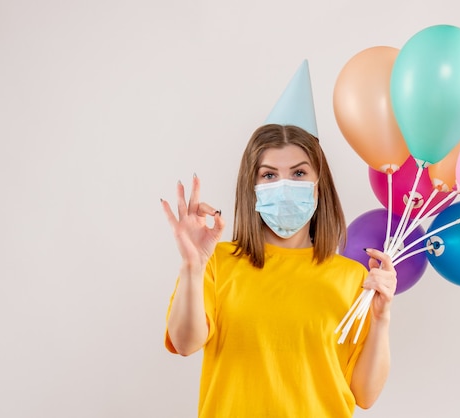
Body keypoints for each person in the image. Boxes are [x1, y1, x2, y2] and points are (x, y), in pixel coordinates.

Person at [161, 61, 397, 417]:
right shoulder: (218, 264)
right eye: (269, 174)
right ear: (252, 188)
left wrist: (381, 318)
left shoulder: (352, 279)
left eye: (299, 173)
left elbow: (364, 395)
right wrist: (193, 266)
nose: (284, 185)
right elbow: (184, 342)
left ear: (319, 187)